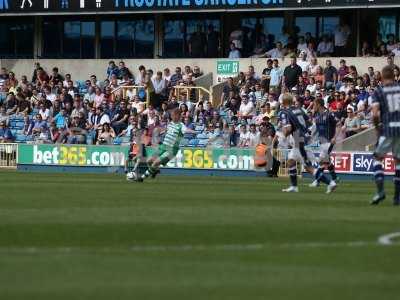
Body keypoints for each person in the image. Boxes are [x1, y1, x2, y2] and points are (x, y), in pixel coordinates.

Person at [279, 93, 336, 193]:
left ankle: (330, 183)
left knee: (308, 167)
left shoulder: (285, 112)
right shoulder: (299, 109)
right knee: (291, 161)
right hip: (304, 139)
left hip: (299, 141)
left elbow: (288, 129)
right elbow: (308, 121)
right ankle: (294, 186)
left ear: (284, 102)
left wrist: (282, 137)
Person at [370, 66, 400, 205]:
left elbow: (375, 114)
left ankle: (381, 191)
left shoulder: (379, 91)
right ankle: (397, 197)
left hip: (387, 129)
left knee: (377, 159)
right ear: (394, 76)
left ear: (382, 76)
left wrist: (377, 128)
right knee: (398, 162)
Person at [139, 108, 196, 181]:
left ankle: (142, 177)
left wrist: (195, 132)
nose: (172, 116)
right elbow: (166, 130)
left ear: (178, 116)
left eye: (173, 115)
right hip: (163, 146)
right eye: (171, 115)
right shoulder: (171, 123)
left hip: (171, 150)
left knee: (156, 163)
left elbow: (187, 130)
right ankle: (154, 171)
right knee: (149, 161)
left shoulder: (181, 126)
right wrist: (161, 132)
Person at [309, 98, 338, 188]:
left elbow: (340, 125)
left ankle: (317, 181)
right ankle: (334, 177)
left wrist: (335, 137)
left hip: (329, 142)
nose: (313, 106)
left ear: (318, 105)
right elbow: (316, 129)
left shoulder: (329, 114)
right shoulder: (317, 116)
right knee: (326, 161)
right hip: (320, 142)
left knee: (321, 160)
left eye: (314, 104)